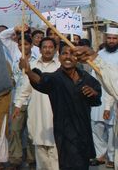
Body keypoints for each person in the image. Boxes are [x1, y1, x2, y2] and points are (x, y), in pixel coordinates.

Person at [20, 44, 102, 170]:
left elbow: (97, 98)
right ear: (59, 57)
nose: (68, 57)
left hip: (83, 133)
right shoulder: (55, 78)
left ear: (78, 58)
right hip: (65, 133)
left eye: (72, 54)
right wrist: (29, 71)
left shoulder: (86, 78)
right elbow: (40, 80)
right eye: (64, 53)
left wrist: (94, 93)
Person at [15, 37, 60, 170]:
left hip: (56, 111)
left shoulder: (60, 66)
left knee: (56, 149)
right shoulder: (32, 66)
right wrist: (18, 105)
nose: (47, 50)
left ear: (55, 49)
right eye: (44, 47)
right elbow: (25, 88)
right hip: (38, 111)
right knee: (39, 149)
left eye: (50, 47)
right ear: (39, 50)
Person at [88, 28, 118, 168]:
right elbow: (94, 76)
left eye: (114, 38)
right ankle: (100, 154)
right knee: (97, 125)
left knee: (112, 128)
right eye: (109, 38)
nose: (111, 41)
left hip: (114, 95)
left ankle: (112, 157)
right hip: (99, 93)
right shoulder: (99, 55)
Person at [8, 35, 36, 169]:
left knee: (31, 132)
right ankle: (15, 159)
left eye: (26, 44)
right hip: (18, 100)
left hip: (32, 101)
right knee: (14, 130)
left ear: (31, 45)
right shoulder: (15, 60)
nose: (23, 47)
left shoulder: (37, 61)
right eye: (20, 45)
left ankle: (32, 159)